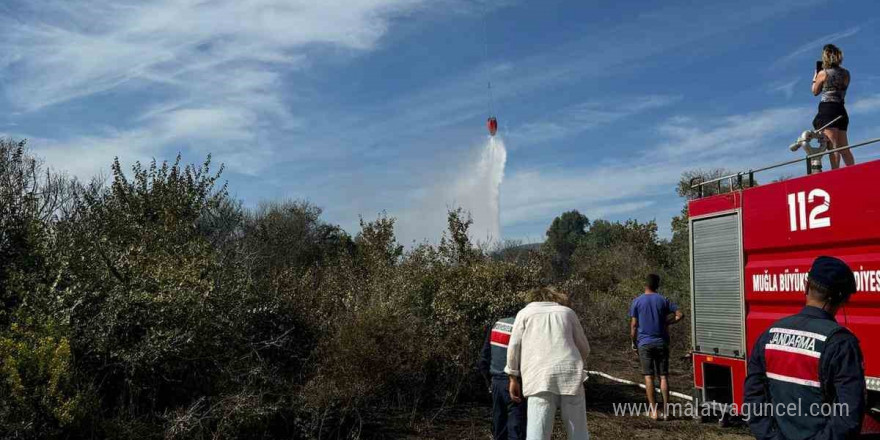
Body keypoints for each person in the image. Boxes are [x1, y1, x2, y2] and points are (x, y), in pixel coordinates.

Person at [744, 256, 865, 440]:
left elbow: (753, 399)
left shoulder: (769, 335)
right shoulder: (841, 343)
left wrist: (771, 437)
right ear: (843, 300)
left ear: (806, 286)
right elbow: (848, 417)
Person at [505, 287, 591, 440]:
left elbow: (514, 347)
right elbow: (584, 348)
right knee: (578, 433)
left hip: (538, 377)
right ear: (555, 298)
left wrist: (513, 376)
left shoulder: (524, 314)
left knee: (537, 434)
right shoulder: (567, 313)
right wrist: (578, 365)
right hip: (570, 376)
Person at [629, 273, 684, 420]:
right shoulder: (663, 300)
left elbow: (634, 325)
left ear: (645, 285)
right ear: (657, 285)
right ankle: (666, 411)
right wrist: (668, 323)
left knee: (649, 377)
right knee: (663, 377)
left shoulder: (637, 301)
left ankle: (653, 411)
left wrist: (634, 343)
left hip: (644, 343)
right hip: (661, 342)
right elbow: (680, 314)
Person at [479, 315, 527, 440]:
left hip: (495, 382)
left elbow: (483, 358)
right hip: (515, 383)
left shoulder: (497, 324)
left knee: (499, 428)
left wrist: (489, 382)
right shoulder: (522, 328)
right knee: (516, 429)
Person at [812, 44, 854, 169]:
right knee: (844, 147)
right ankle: (854, 173)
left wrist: (815, 77)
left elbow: (815, 91)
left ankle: (835, 174)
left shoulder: (823, 73)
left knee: (832, 146)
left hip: (828, 109)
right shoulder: (846, 73)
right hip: (841, 109)